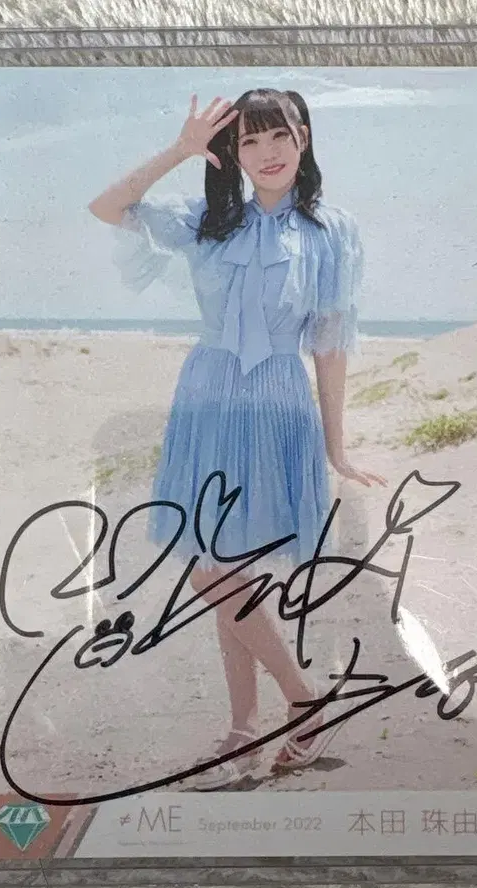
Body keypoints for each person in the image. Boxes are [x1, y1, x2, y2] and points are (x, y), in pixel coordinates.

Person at [89, 88, 385, 788]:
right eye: (249, 140)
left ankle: (302, 706)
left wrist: (336, 447)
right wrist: (180, 148)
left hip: (277, 403)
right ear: (233, 153)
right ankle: (246, 729)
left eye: (278, 134)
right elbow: (107, 206)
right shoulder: (208, 221)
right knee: (220, 568)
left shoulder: (333, 231)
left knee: (218, 572)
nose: (267, 152)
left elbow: (330, 346)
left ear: (304, 136)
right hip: (206, 401)